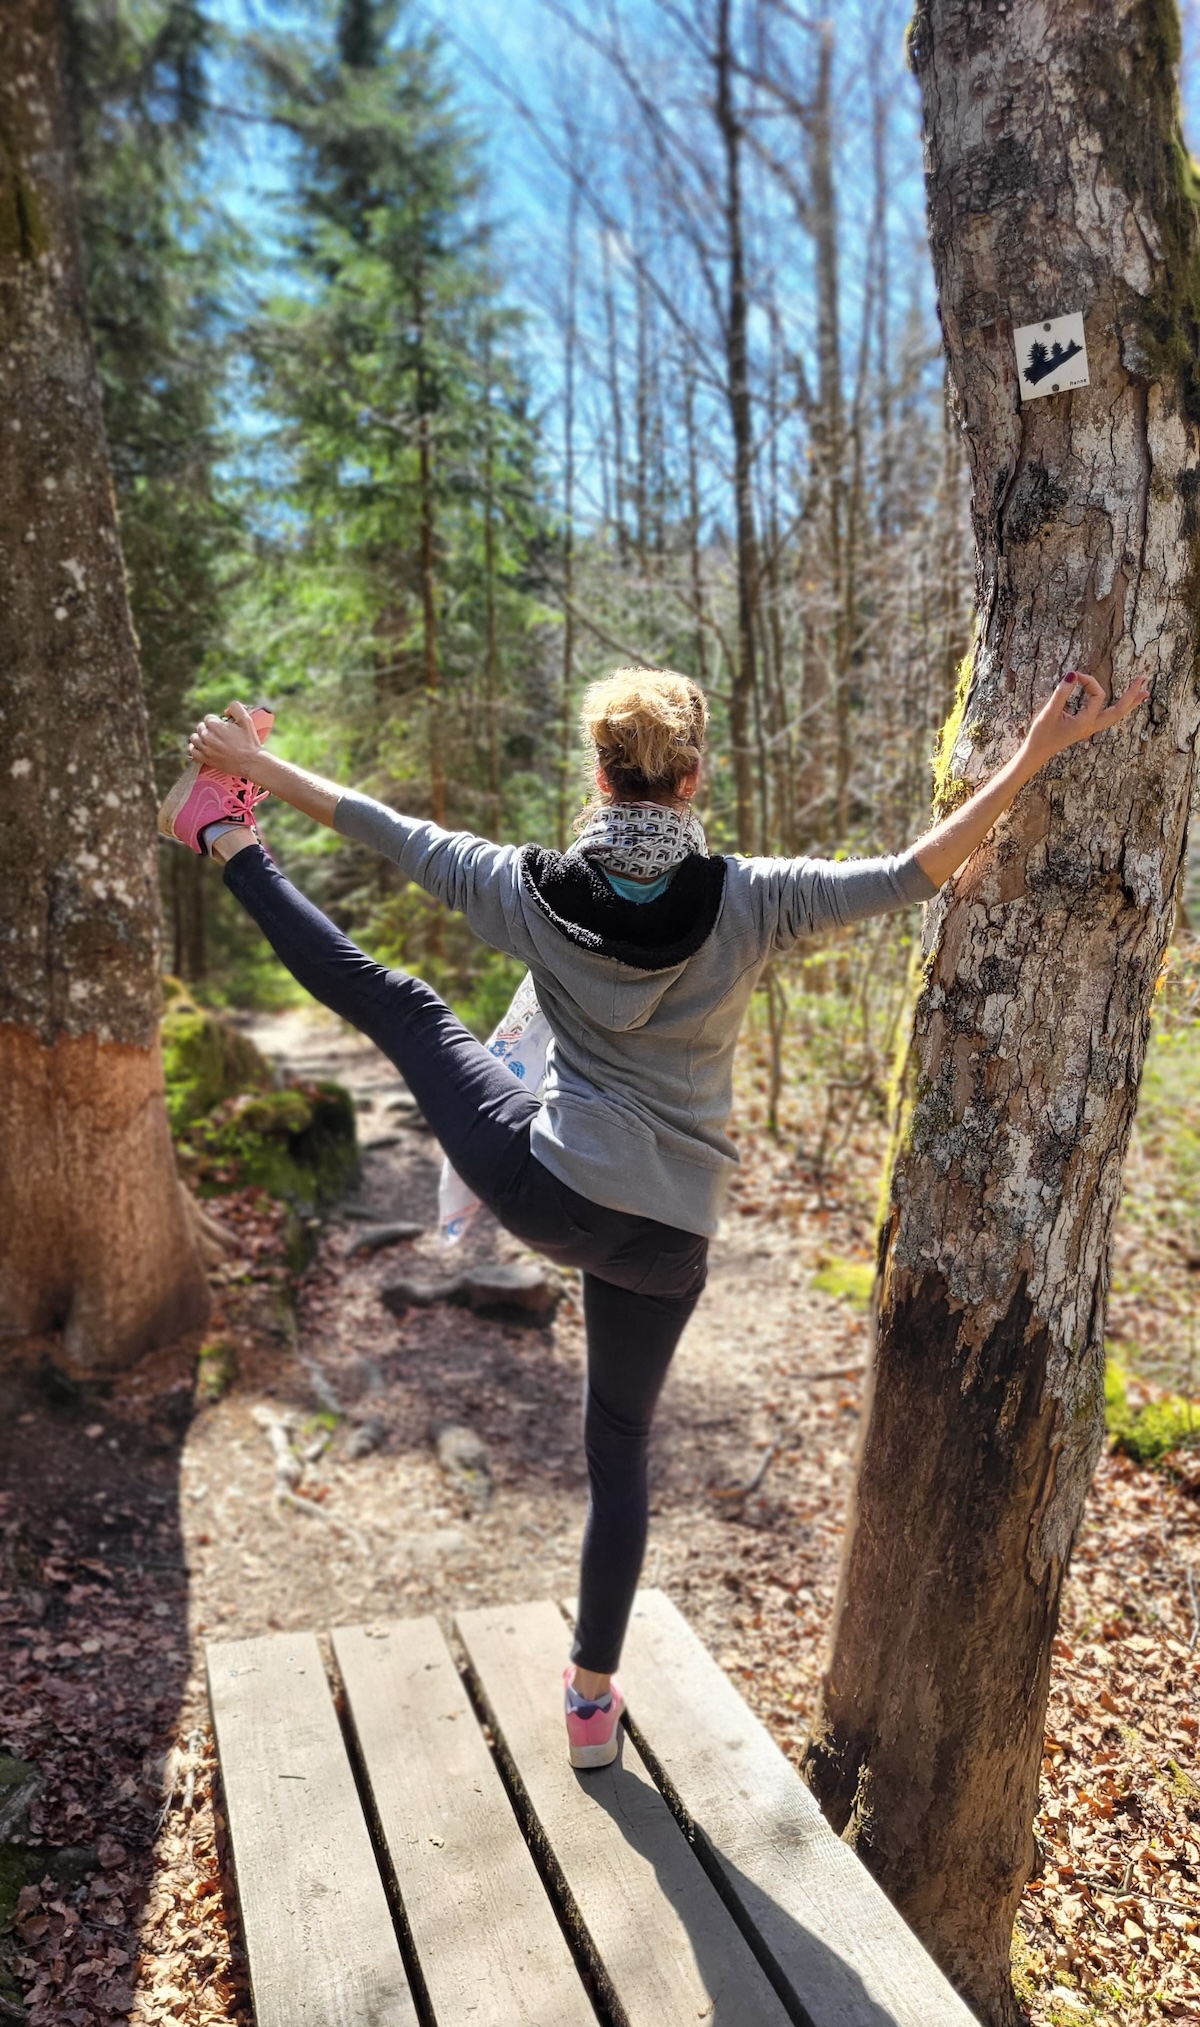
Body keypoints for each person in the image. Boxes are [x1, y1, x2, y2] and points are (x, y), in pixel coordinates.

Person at [160, 662, 1149, 1767]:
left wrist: (255, 770)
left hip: (552, 1189)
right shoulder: (751, 897)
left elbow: (384, 829)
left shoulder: (527, 889)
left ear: (600, 776)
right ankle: (591, 1702)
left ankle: (222, 837)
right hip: (669, 1239)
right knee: (619, 1449)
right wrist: (1038, 750)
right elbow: (914, 872)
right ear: (692, 777)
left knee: (405, 1006)